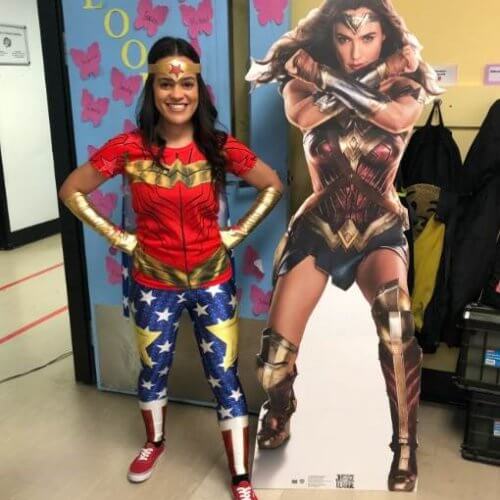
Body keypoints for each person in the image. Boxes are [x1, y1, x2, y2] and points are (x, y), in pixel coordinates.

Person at [59, 36, 283, 500]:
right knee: (152, 369)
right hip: (152, 283)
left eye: (186, 83)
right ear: (152, 88)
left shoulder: (218, 146)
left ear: (198, 89)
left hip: (213, 281)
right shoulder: (128, 148)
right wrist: (122, 239)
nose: (176, 93)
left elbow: (272, 185)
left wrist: (235, 234)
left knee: (225, 376)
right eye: (165, 83)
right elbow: (72, 190)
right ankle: (154, 442)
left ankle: (240, 476)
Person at [246, 0, 442, 492]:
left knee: (396, 322)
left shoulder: (406, 88)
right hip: (319, 227)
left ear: (384, 37)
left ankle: (404, 444)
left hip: (379, 228)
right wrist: (378, 70)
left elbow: (393, 119)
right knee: (271, 364)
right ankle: (282, 407)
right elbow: (306, 115)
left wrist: (329, 74)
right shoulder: (299, 87)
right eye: (344, 39)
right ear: (329, 37)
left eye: (368, 39)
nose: (355, 52)